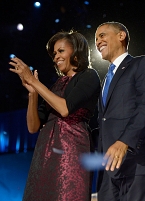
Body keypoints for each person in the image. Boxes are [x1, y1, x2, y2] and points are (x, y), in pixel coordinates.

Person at [9, 30, 101, 201]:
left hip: (72, 146)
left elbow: (65, 109)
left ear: (76, 51)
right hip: (45, 149)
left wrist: (34, 81)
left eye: (61, 51)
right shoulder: (56, 85)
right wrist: (32, 93)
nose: (55, 56)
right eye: (54, 53)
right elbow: (33, 127)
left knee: (67, 193)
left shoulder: (88, 75)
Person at [95, 21, 145, 201]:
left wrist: (124, 141)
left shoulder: (143, 63)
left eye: (102, 35)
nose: (97, 41)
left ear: (121, 36)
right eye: (95, 38)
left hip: (138, 163)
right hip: (108, 170)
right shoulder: (105, 81)